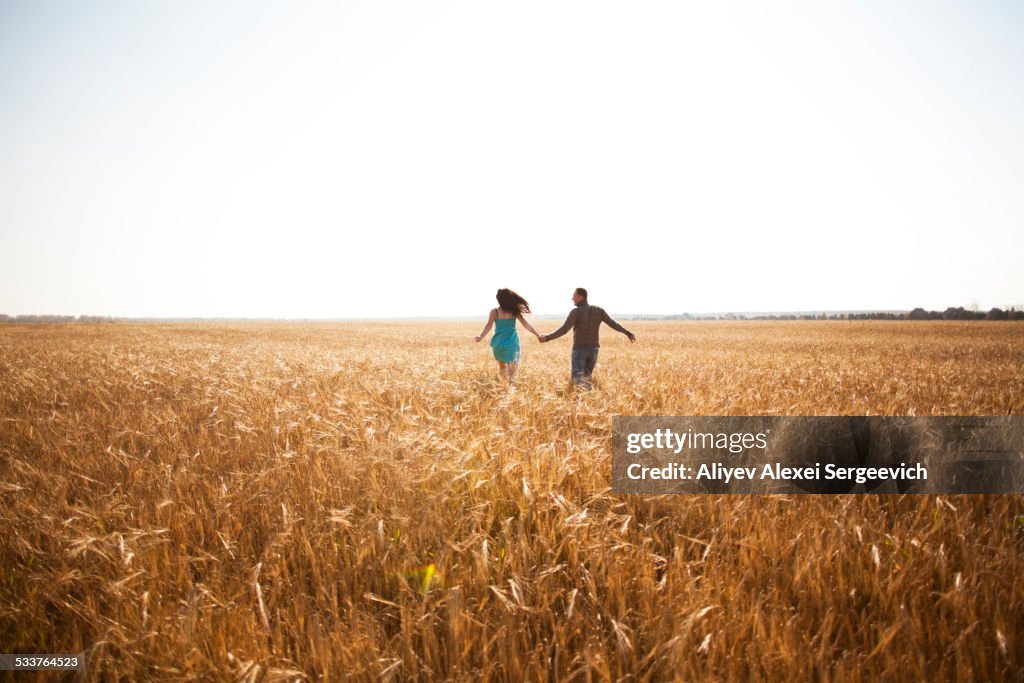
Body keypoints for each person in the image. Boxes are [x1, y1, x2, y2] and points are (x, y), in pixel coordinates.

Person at [539, 287, 636, 388]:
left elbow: (564, 329)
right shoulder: (598, 310)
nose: (572, 298)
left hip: (580, 350)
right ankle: (589, 401)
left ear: (581, 297)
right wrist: (628, 333)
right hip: (594, 350)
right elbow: (613, 323)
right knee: (587, 379)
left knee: (578, 381)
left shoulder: (576, 312)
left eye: (574, 296)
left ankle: (580, 401)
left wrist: (547, 338)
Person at [475, 288, 541, 382]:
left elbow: (488, 325)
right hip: (511, 343)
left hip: (498, 344)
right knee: (512, 370)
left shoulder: (494, 312)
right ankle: (510, 388)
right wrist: (537, 335)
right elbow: (526, 324)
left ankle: (501, 386)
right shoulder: (514, 311)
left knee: (502, 368)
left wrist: (480, 336)